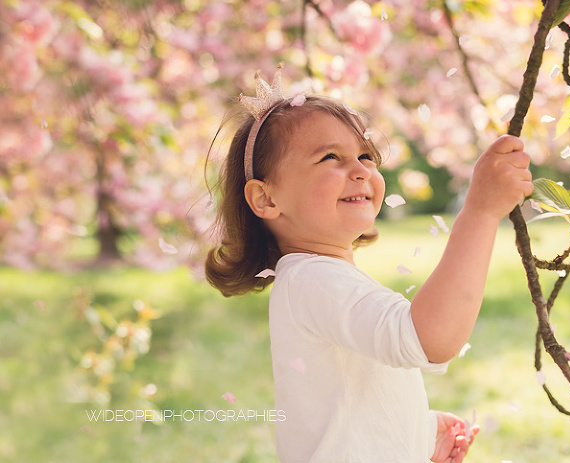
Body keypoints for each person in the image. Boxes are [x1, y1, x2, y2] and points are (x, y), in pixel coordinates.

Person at [205, 64, 534, 462]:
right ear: (266, 199)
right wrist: (480, 212)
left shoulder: (319, 279)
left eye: (365, 155)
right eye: (330, 157)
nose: (360, 170)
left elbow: (345, 397)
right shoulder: (313, 280)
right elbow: (427, 339)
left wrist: (418, 433)